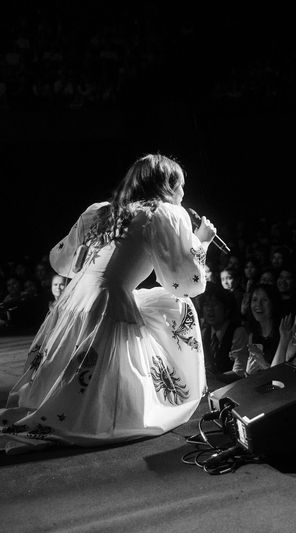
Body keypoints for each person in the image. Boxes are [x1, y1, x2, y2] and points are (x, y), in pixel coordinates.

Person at [0, 152, 216, 451]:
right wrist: (201, 240)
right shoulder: (165, 213)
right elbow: (184, 283)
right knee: (176, 305)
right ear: (166, 186)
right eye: (179, 185)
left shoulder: (100, 211)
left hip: (76, 299)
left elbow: (61, 262)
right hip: (109, 301)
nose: (183, 192)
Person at [200, 283, 248, 385]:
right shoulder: (205, 333)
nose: (209, 309)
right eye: (206, 304)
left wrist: (213, 379)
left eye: (215, 304)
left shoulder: (237, 332)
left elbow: (240, 372)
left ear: (226, 309)